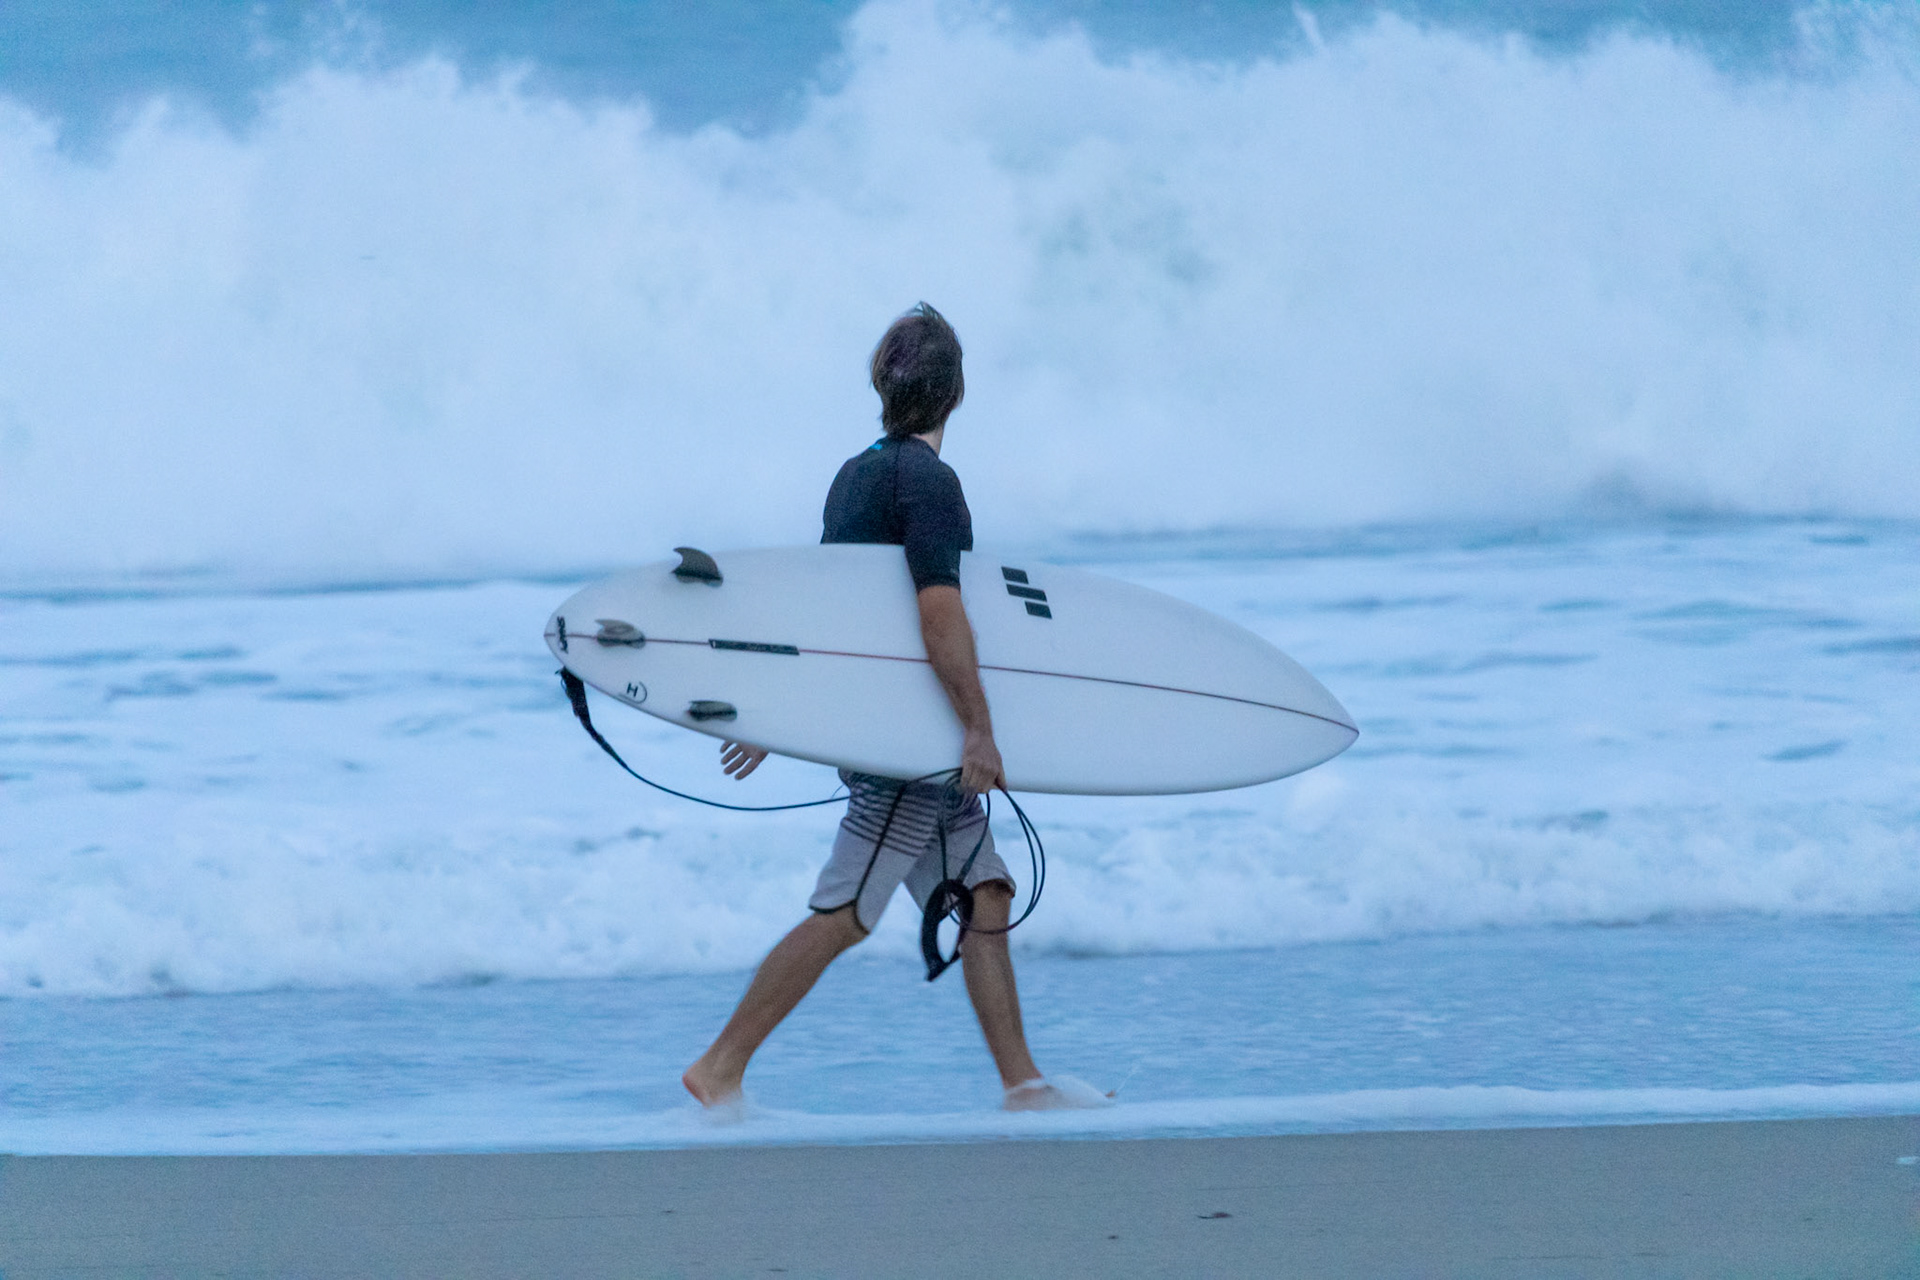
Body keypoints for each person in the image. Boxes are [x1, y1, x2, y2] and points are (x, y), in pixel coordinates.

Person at [681, 304, 1093, 1113]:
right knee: (848, 910)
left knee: (985, 894)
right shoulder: (931, 484)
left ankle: (1024, 1083)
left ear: (883, 385)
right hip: (913, 745)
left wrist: (776, 712)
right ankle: (720, 1066)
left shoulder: (855, 475)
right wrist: (979, 728)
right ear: (956, 393)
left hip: (900, 731)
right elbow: (938, 611)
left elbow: (835, 613)